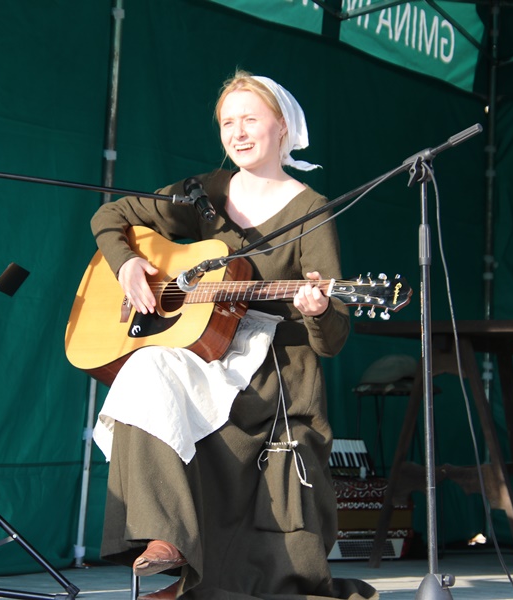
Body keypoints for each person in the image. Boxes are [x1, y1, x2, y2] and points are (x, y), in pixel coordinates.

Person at [88, 70, 377, 600]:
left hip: (270, 374)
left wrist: (317, 309)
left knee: (157, 376)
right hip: (201, 354)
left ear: (282, 127)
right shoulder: (202, 193)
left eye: (250, 120)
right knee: (143, 368)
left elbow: (333, 337)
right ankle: (165, 538)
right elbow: (112, 214)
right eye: (227, 123)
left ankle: (198, 575)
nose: (238, 133)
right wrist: (127, 263)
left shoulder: (310, 209)